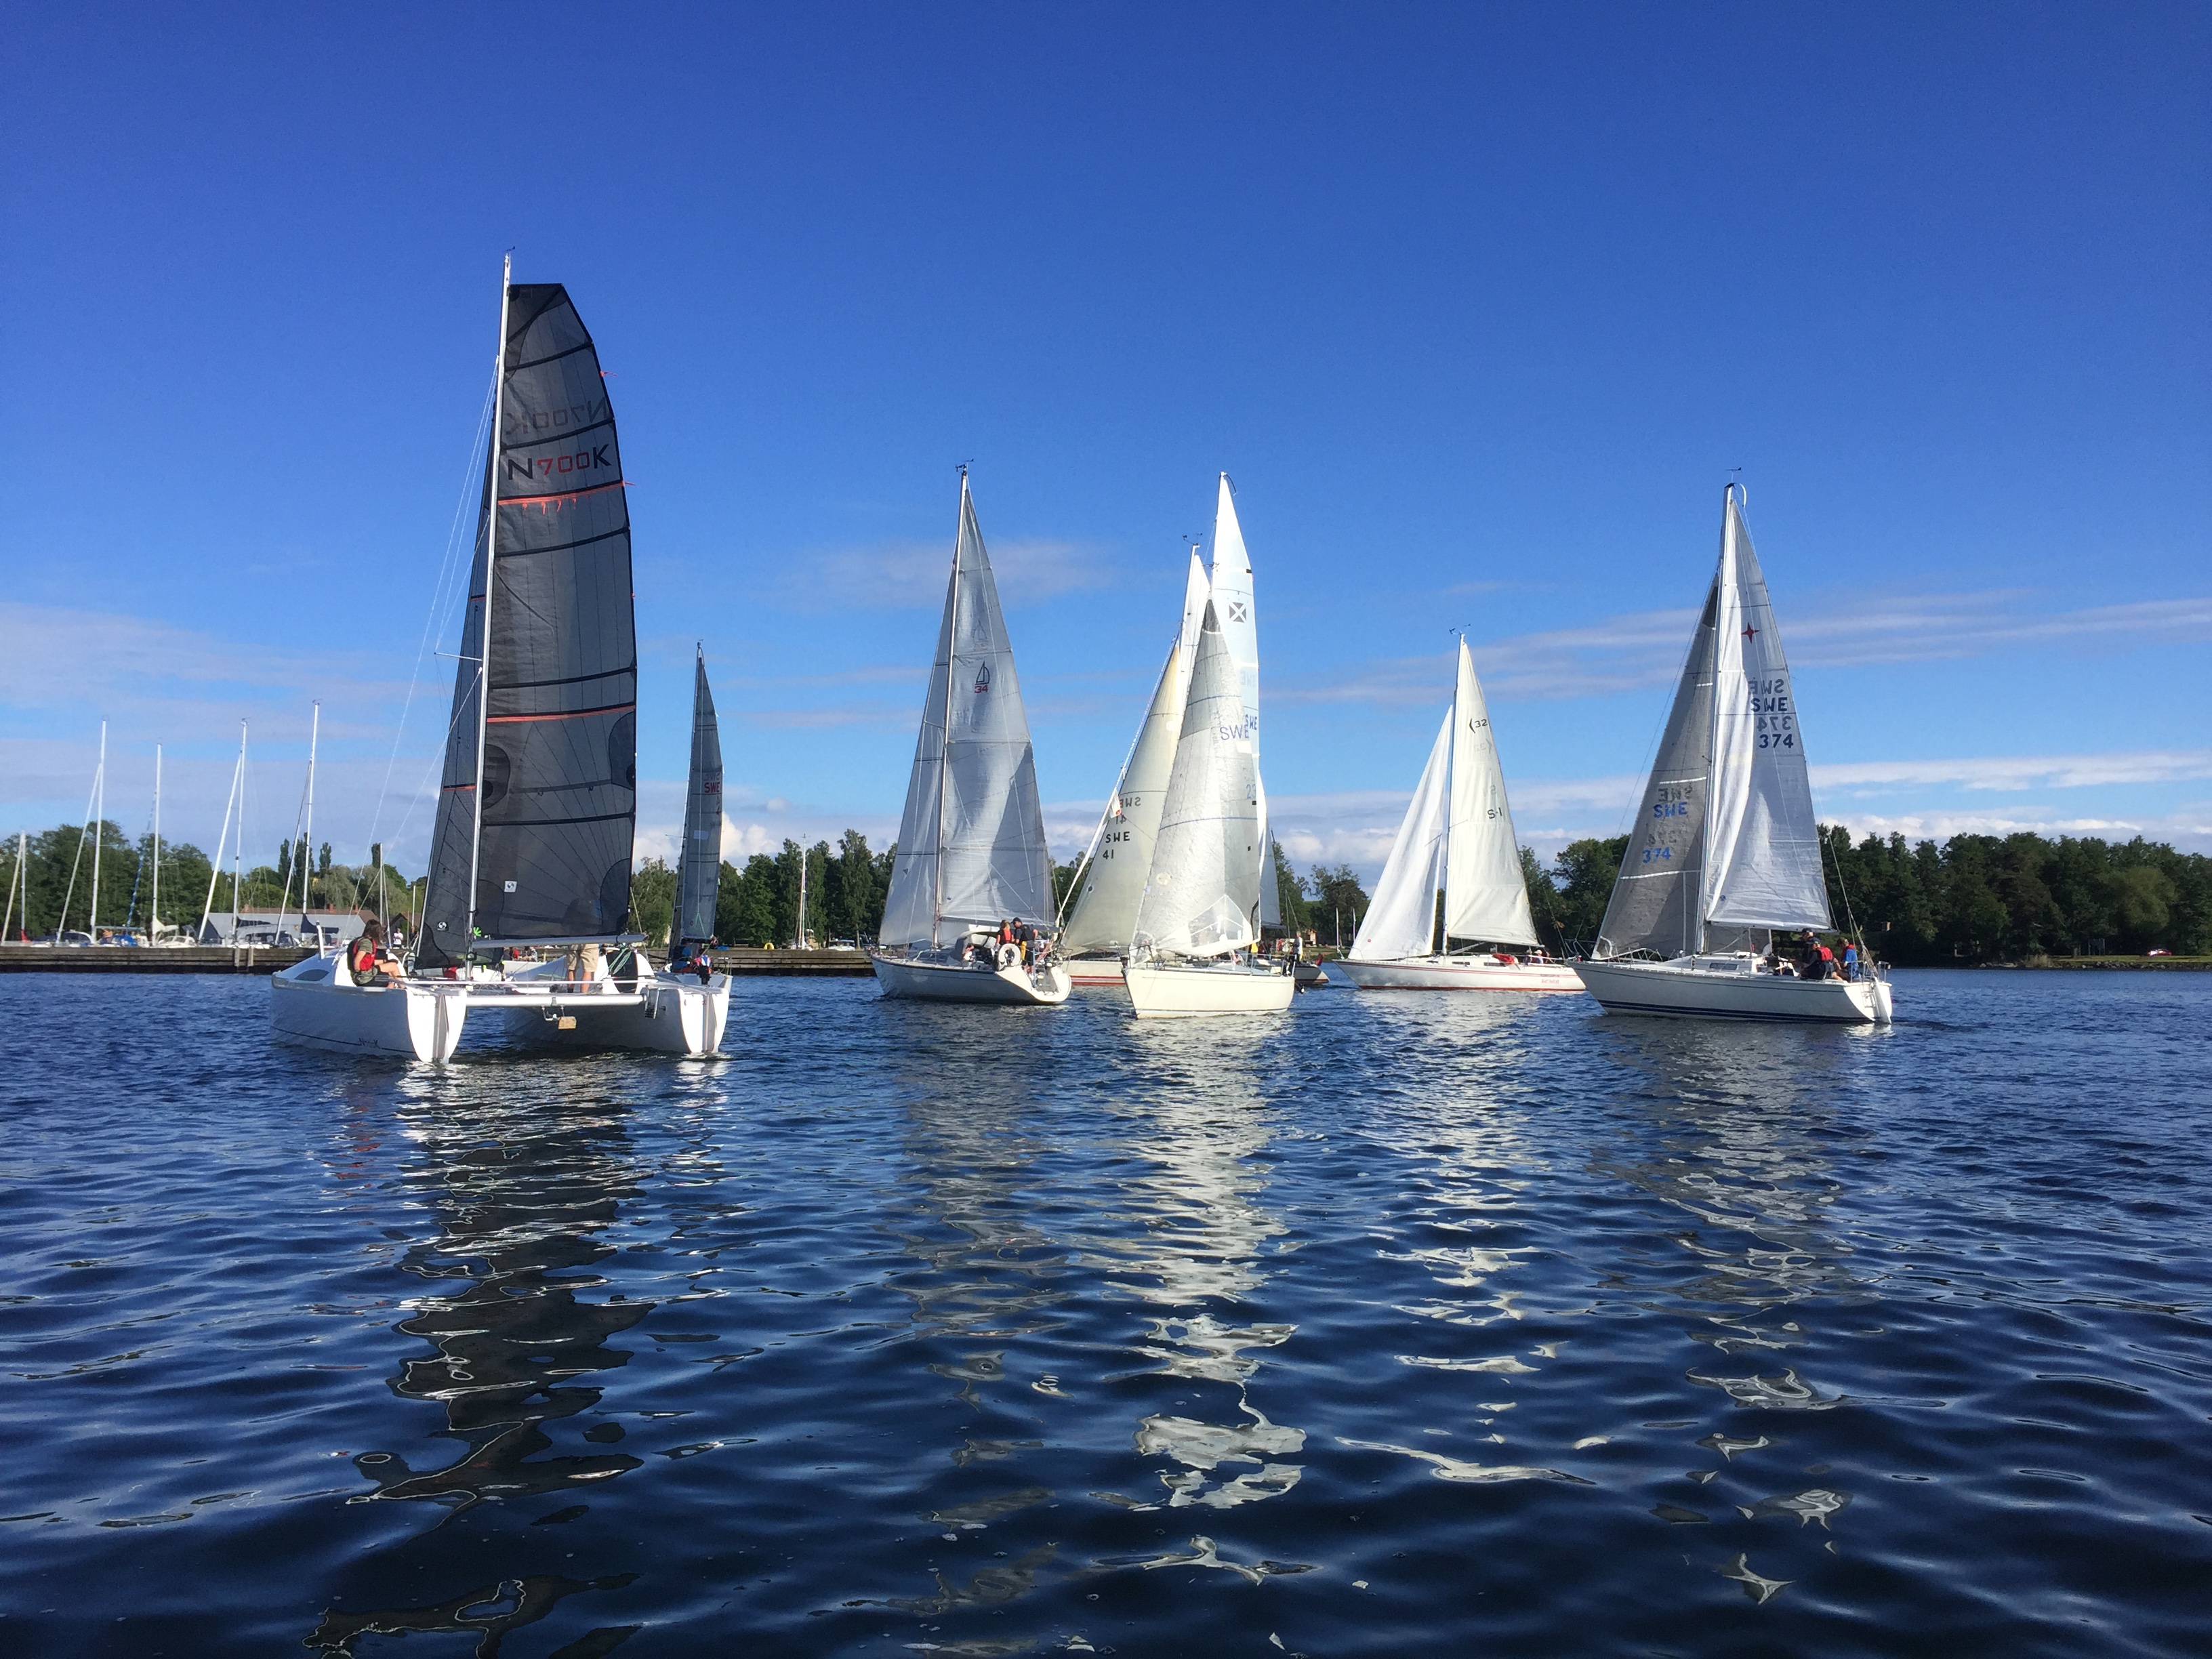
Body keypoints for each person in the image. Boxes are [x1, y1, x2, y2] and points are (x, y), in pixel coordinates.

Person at [348, 921, 391, 986]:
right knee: (391, 977)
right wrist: (358, 973)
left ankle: (398, 989)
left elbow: (368, 961)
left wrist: (385, 961)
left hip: (366, 974)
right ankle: (403, 990)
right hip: (365, 977)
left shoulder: (361, 940)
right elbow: (357, 959)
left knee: (391, 968)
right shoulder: (367, 943)